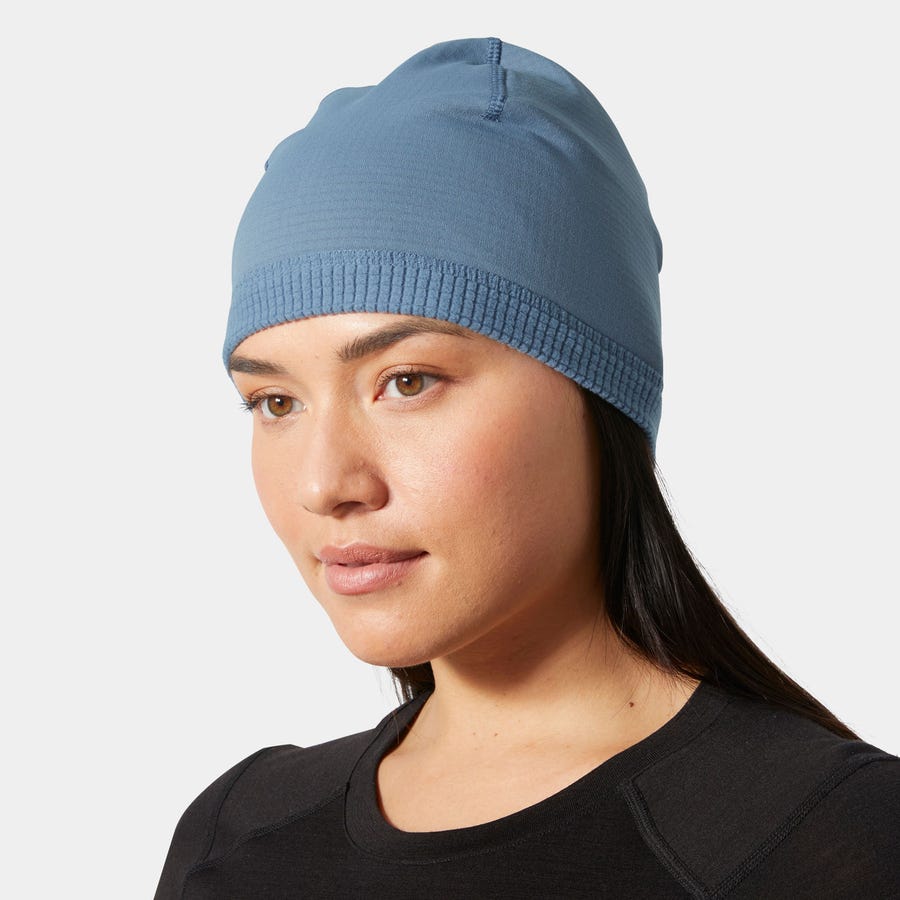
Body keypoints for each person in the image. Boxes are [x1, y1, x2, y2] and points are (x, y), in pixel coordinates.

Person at [153, 36, 899, 899]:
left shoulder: (833, 841)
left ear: (597, 387)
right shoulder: (237, 832)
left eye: (408, 382)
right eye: (276, 402)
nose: (325, 484)